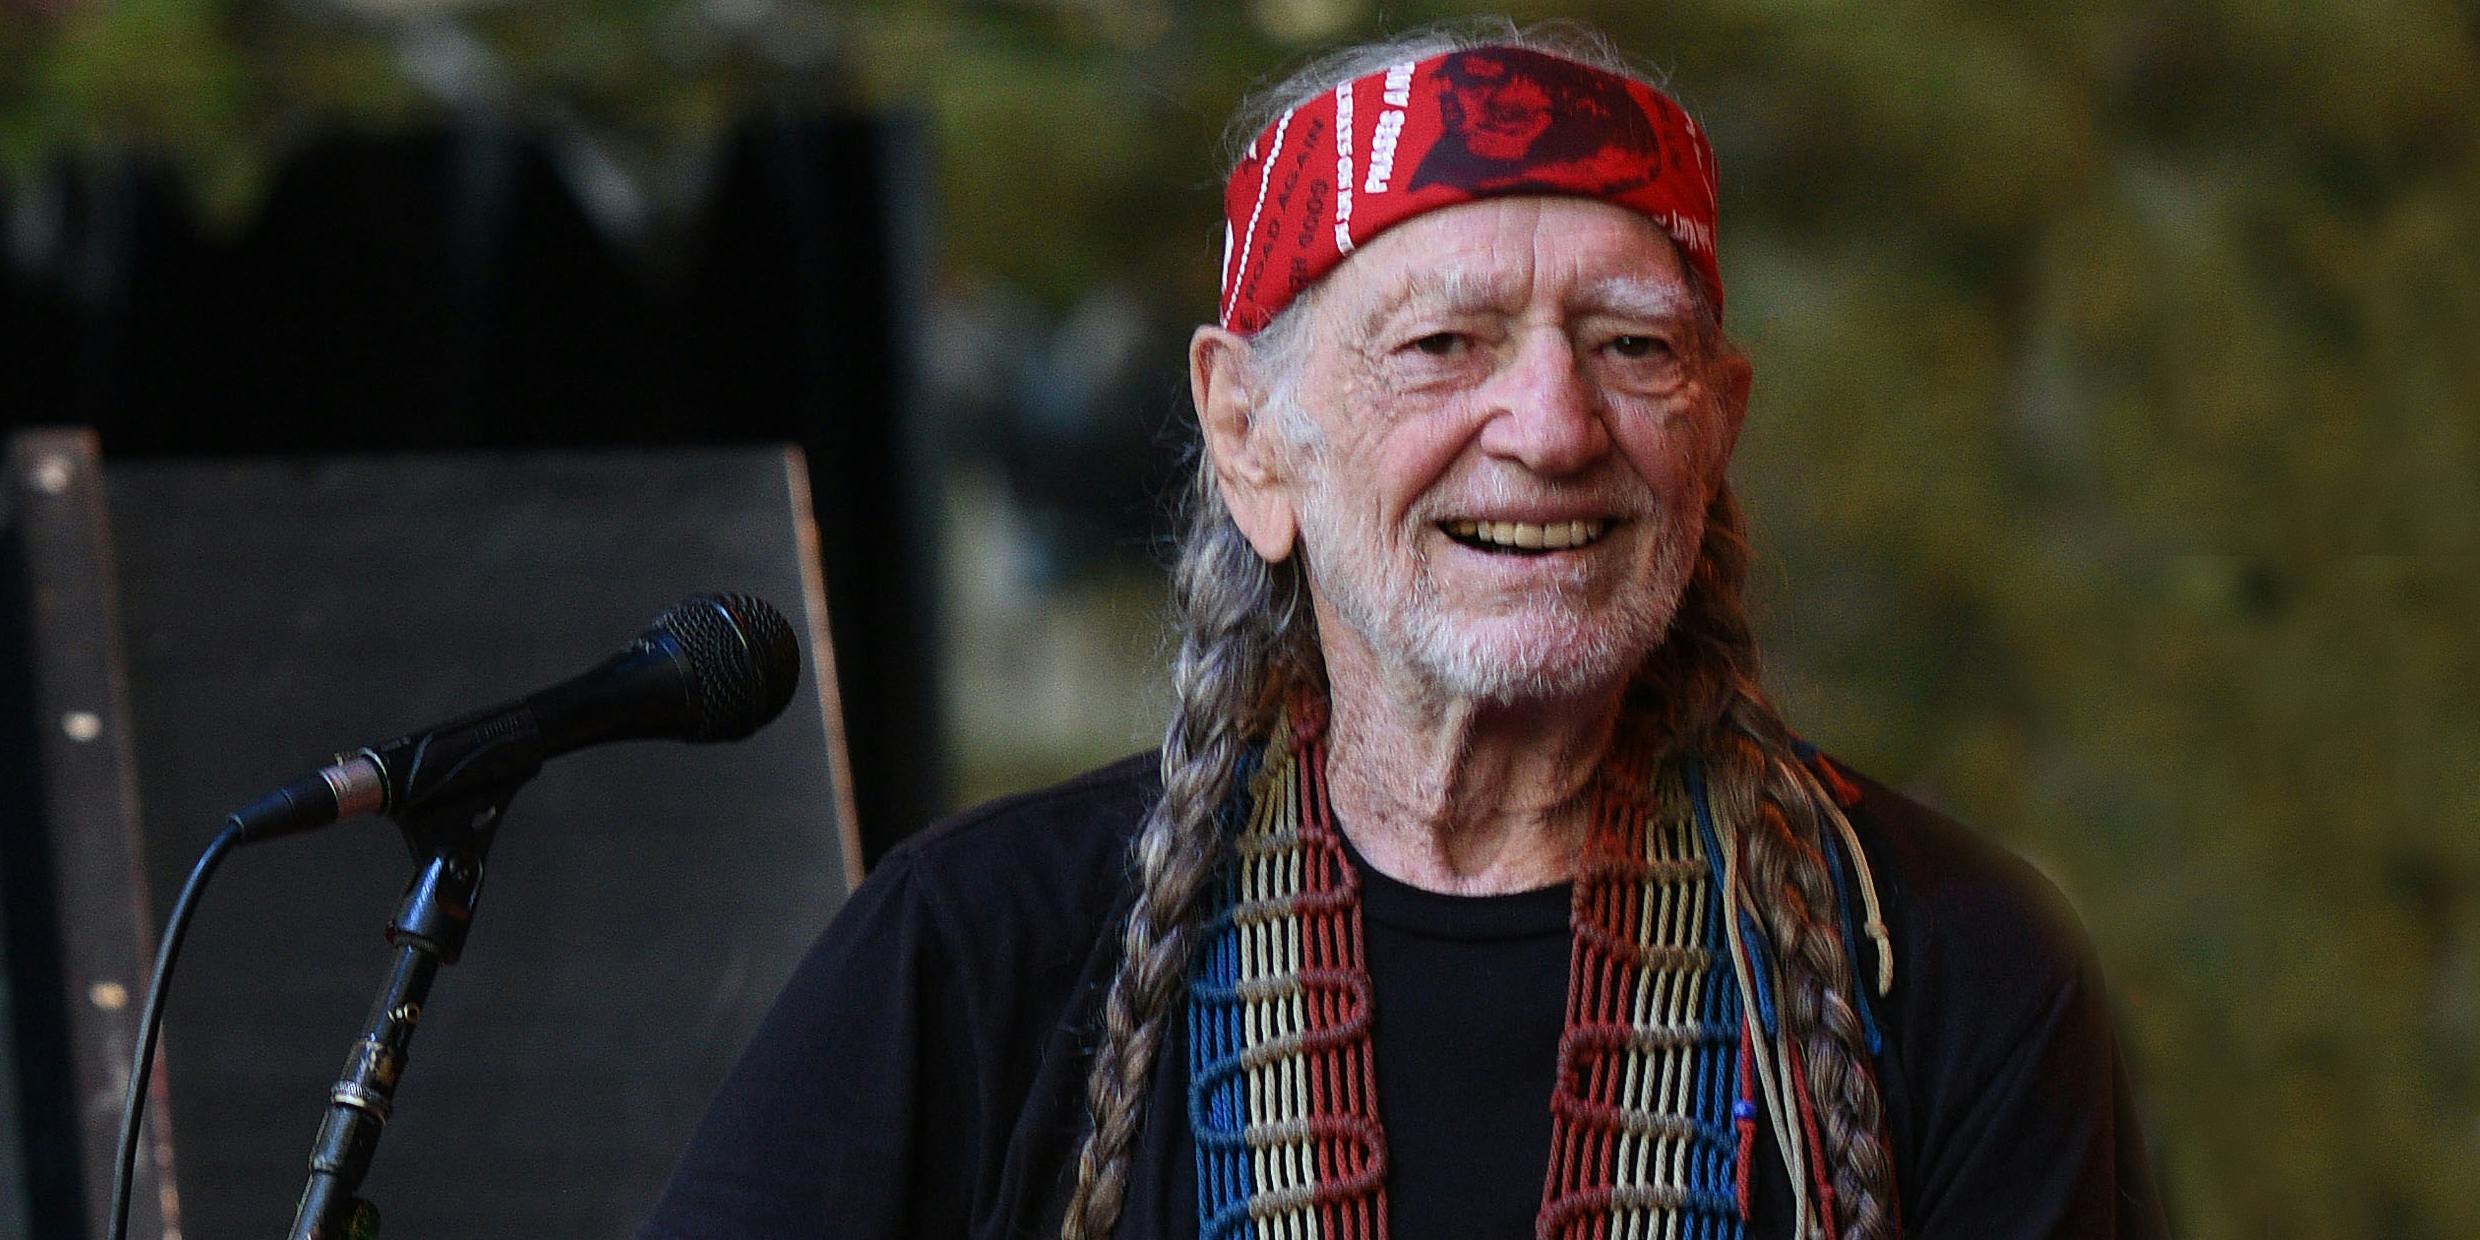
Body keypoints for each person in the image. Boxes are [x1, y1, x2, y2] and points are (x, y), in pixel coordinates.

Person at [641, 20, 2167, 1240]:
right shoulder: (981, 956)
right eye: (1445, 345)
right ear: (1248, 437)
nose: (1555, 425)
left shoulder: (1955, 968)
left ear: (1717, 422)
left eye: (1635, 346)